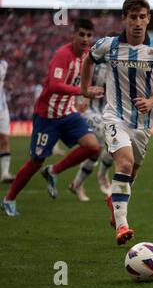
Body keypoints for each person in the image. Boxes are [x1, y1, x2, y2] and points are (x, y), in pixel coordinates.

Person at [83, 0, 153, 245]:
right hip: (115, 117)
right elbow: (88, 60)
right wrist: (84, 89)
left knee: (132, 171)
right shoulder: (108, 45)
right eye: (132, 17)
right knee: (124, 163)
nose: (137, 22)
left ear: (148, 19)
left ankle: (114, 200)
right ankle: (122, 226)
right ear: (124, 19)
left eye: (142, 17)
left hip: (143, 123)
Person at [0, 18, 103, 217]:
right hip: (47, 116)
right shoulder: (62, 55)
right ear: (73, 34)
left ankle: (53, 171)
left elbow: (86, 76)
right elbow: (54, 85)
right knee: (36, 161)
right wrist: (82, 91)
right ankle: (9, 199)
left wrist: (84, 98)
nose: (85, 39)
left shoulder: (87, 55)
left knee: (93, 147)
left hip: (68, 113)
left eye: (89, 35)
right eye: (81, 34)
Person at [69, 61, 114, 201]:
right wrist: (78, 99)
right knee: (98, 147)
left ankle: (80, 182)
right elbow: (77, 80)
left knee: (115, 145)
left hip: (109, 110)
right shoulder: (91, 62)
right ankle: (98, 178)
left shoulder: (121, 63)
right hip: (89, 109)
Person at [0, 56, 15, 184]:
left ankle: (5, 174)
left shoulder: (4, 63)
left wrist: (7, 85)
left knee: (4, 138)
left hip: (2, 108)